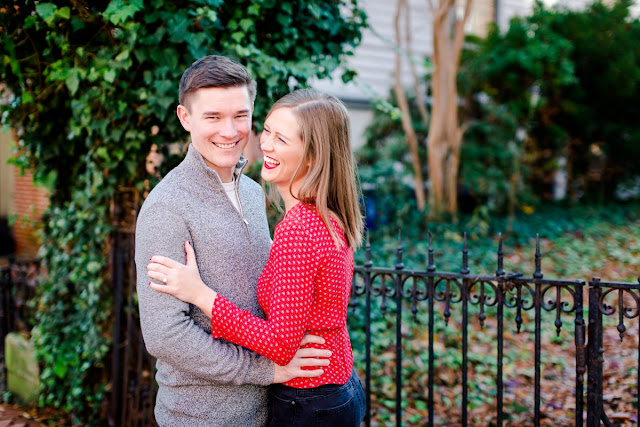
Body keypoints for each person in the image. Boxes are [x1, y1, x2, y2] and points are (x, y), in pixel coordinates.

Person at [147, 89, 366, 426]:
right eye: (267, 130)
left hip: (309, 400)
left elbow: (280, 344)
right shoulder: (328, 215)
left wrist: (200, 295)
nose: (265, 144)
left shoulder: (299, 228)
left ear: (312, 156)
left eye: (281, 138)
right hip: (335, 386)